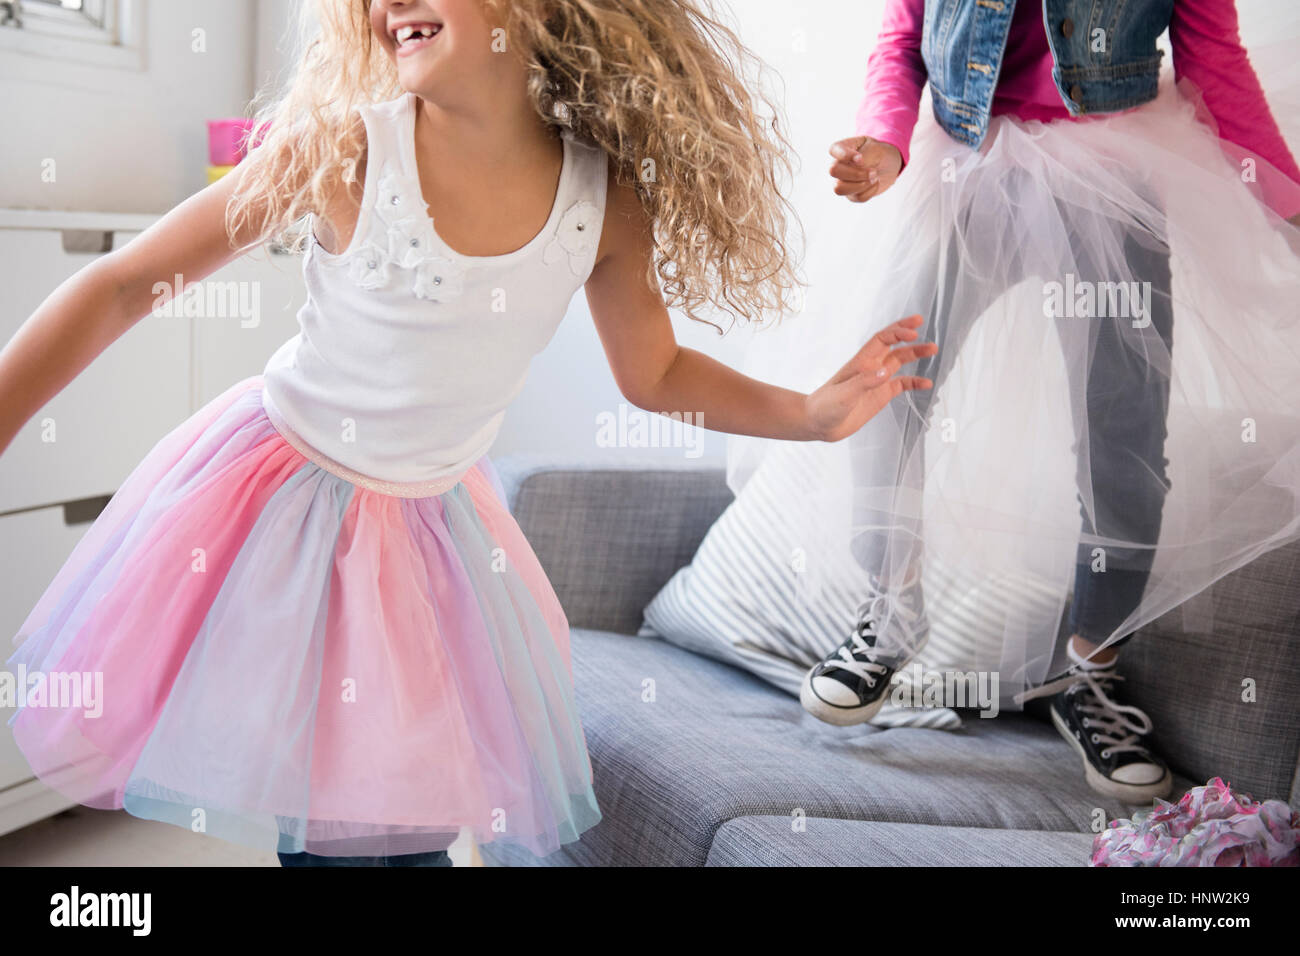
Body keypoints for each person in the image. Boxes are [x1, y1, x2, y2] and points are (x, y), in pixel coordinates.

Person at [0, 0, 935, 865]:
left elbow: (655, 375)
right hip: (281, 513)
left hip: (425, 538)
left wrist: (809, 415)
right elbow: (123, 285)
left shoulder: (602, 198)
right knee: (337, 835)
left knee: (395, 832)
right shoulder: (341, 153)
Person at [780, 0, 1300, 804]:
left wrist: (1289, 203)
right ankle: (889, 615)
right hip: (965, 165)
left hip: (1111, 168)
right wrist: (884, 138)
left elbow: (1215, 59)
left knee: (1121, 432)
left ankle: (1088, 670)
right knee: (887, 389)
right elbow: (904, 34)